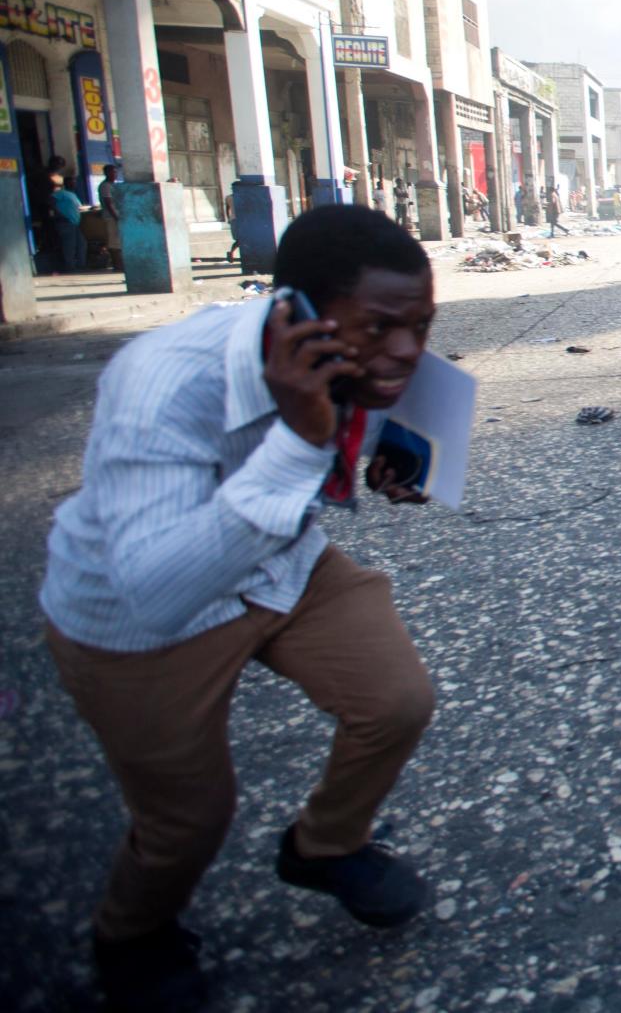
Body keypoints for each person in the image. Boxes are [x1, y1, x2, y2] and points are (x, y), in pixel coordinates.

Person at [41, 206, 441, 1013]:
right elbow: (158, 592)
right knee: (187, 820)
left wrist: (407, 458)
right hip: (139, 613)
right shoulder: (160, 381)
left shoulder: (366, 354)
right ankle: (131, 933)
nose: (405, 348)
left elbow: (418, 397)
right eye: (382, 325)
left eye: (422, 323)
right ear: (294, 311)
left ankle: (324, 846)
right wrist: (299, 439)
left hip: (280, 564)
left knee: (396, 699)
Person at [50, 171, 86, 272]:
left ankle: (81, 265)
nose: (74, 184)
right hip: (66, 222)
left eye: (74, 182)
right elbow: (50, 202)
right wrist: (59, 214)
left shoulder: (73, 195)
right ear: (66, 183)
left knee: (81, 244)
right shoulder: (60, 193)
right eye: (71, 182)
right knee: (69, 245)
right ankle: (70, 267)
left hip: (76, 223)